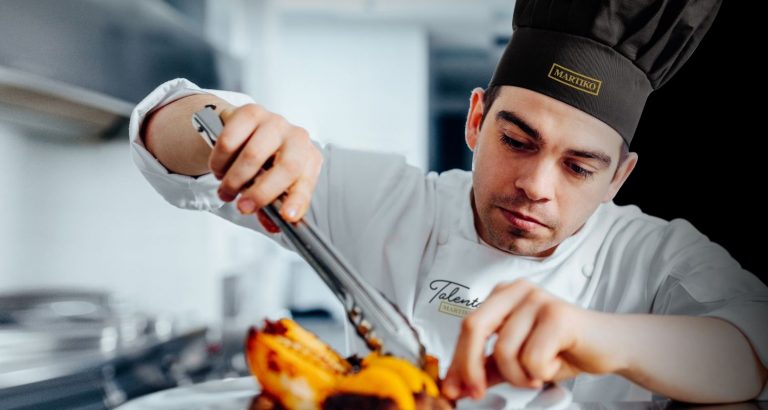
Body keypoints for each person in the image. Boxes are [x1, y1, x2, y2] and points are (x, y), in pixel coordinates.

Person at [129, 0, 767, 404]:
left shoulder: (654, 257)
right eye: (516, 141)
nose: (536, 184)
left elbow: (753, 348)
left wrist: (603, 338)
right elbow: (164, 141)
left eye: (578, 167)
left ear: (618, 178)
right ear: (476, 120)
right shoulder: (391, 203)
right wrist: (228, 125)